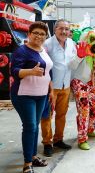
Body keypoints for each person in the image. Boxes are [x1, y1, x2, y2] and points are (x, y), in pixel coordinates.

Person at [11, 21, 53, 173]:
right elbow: (14, 71)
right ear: (29, 34)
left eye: (42, 34)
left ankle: (33, 156)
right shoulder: (21, 51)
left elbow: (48, 72)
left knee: (35, 127)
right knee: (30, 127)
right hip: (24, 95)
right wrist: (30, 71)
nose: (39, 36)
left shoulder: (43, 50)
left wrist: (51, 91)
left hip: (41, 95)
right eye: (36, 33)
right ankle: (27, 163)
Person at [41, 19, 76, 157]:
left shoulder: (71, 44)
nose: (64, 31)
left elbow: (73, 63)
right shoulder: (47, 44)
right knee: (47, 116)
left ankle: (58, 139)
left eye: (66, 29)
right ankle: (47, 143)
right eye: (60, 28)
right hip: (51, 87)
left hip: (65, 85)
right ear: (55, 29)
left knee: (62, 114)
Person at [70, 29, 95, 150]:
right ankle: (82, 138)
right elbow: (71, 66)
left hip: (91, 83)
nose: (94, 42)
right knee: (84, 110)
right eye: (92, 38)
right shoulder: (79, 48)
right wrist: (80, 55)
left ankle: (90, 129)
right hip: (79, 81)